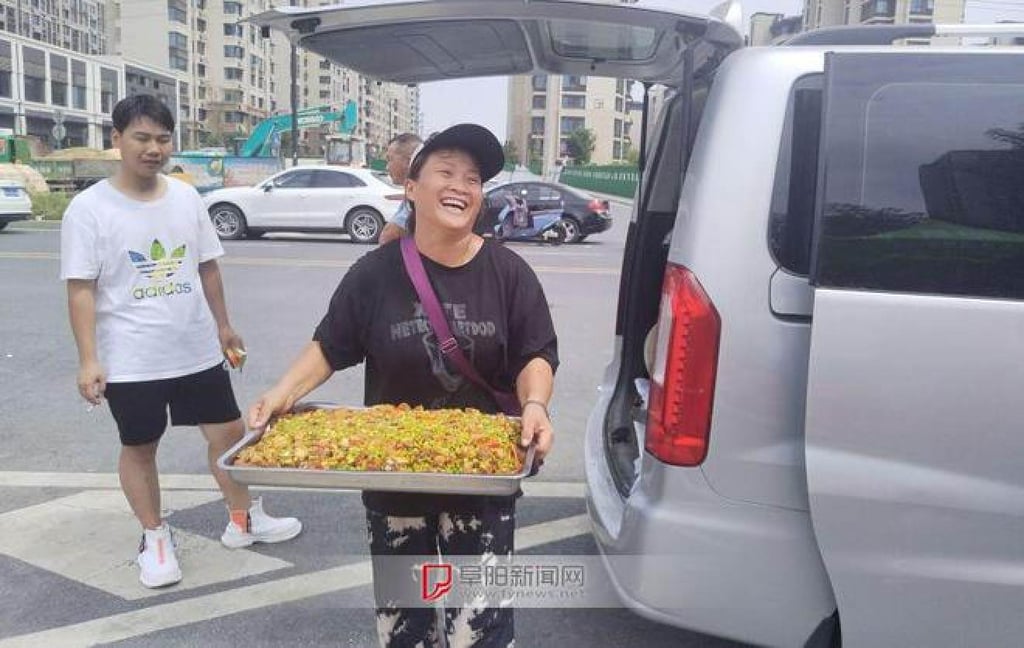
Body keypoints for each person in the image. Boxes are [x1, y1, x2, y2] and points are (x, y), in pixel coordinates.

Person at [248, 123, 558, 647]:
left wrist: (535, 404)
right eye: (446, 171)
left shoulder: (509, 273)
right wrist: (283, 392)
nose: (461, 184)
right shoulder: (375, 273)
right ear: (411, 188)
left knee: (478, 632)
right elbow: (331, 345)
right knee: (405, 628)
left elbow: (536, 353)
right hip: (395, 480)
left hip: (480, 479)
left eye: (473, 177)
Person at [60, 94, 302, 590]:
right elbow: (81, 288)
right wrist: (89, 359)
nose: (153, 148)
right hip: (132, 357)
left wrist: (224, 326)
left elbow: (206, 265)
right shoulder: (88, 209)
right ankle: (155, 537)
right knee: (140, 446)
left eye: (163, 138)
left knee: (230, 437)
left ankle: (244, 520)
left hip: (195, 349)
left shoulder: (186, 196)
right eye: (142, 138)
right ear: (117, 140)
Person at [377, 132, 422, 246]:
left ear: (409, 161)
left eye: (390, 159)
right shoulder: (411, 193)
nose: (387, 166)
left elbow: (387, 237)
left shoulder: (420, 194)